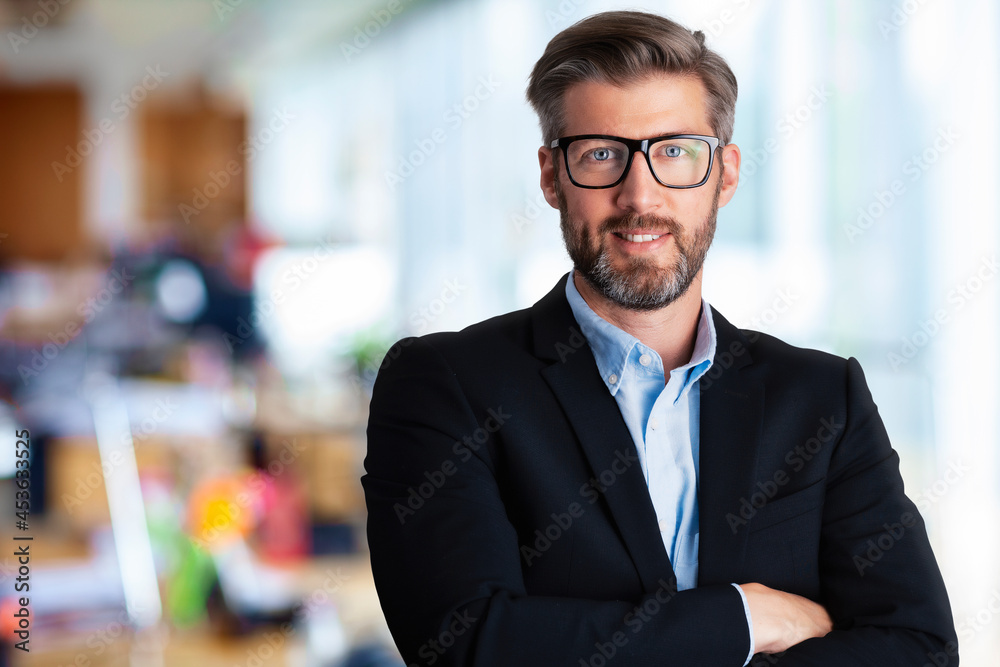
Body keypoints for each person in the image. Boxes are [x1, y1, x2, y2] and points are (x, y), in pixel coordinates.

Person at [362, 10, 957, 666]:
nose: (639, 194)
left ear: (725, 174)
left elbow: (918, 648)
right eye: (600, 155)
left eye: (674, 151)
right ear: (551, 176)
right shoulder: (446, 386)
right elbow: (468, 644)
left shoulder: (823, 398)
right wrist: (744, 617)